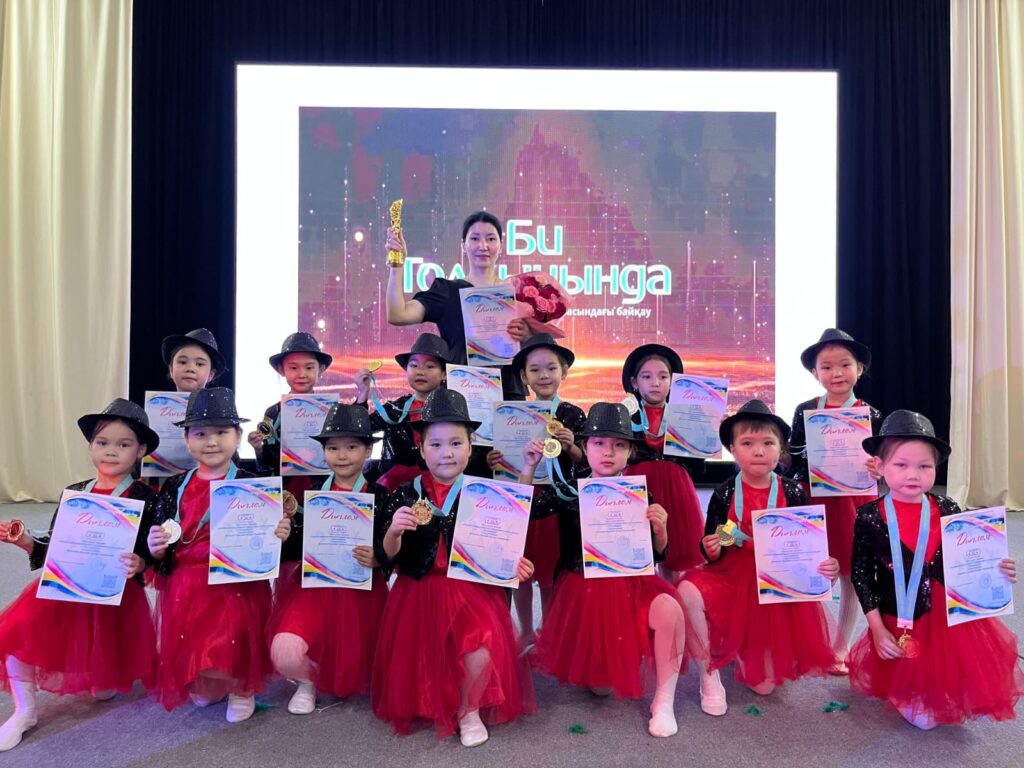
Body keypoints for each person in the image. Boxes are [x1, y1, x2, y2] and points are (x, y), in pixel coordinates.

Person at [372, 389, 535, 746]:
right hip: (418, 589)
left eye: (456, 443)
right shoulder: (405, 493)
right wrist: (394, 531)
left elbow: (503, 541)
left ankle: (469, 708)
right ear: (421, 449)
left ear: (471, 446)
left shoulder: (484, 492)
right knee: (425, 654)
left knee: (480, 646)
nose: (446, 452)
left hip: (470, 589)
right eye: (436, 444)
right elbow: (387, 556)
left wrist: (515, 563)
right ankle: (435, 702)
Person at [0, 399, 160, 751]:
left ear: (140, 450)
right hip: (66, 586)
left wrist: (142, 563)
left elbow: (154, 553)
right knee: (16, 630)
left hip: (115, 595)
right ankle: (25, 711)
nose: (111, 451)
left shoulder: (147, 498)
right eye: (102, 442)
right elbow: (54, 547)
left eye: (123, 444)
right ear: (90, 446)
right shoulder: (74, 492)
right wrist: (25, 541)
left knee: (104, 687)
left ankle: (101, 672)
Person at [848, 410, 1023, 729]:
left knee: (952, 670)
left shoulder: (947, 508)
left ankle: (936, 685)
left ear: (936, 468)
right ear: (880, 466)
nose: (913, 474)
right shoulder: (869, 517)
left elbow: (969, 555)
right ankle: (908, 688)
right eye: (901, 465)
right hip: (899, 613)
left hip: (947, 612)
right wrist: (877, 628)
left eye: (924, 466)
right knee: (912, 684)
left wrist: (997, 567)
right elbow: (860, 576)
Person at [531, 402, 687, 738]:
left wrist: (661, 529)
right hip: (584, 590)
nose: (608, 452)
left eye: (618, 445)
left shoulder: (639, 493)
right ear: (584, 447)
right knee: (601, 686)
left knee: (671, 610)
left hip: (633, 586)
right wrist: (529, 467)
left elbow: (658, 554)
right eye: (599, 443)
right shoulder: (568, 491)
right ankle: (610, 657)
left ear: (630, 452)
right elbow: (523, 509)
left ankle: (664, 701)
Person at [676, 399, 838, 716]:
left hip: (776, 582)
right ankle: (709, 673)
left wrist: (826, 566)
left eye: (768, 443)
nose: (759, 452)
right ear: (733, 450)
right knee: (687, 591)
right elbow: (713, 544)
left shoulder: (793, 492)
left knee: (763, 685)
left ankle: (742, 646)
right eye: (747, 443)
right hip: (732, 576)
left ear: (781, 449)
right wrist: (712, 547)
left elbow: (810, 546)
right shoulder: (724, 492)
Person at [146, 388, 290, 721]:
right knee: (193, 638)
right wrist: (156, 547)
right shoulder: (174, 486)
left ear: (238, 436)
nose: (211, 442)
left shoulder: (255, 485)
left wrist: (279, 533)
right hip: (187, 579)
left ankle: (241, 687)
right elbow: (164, 533)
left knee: (235, 635)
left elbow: (267, 540)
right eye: (200, 434)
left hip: (237, 578)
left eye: (222, 432)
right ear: (186, 440)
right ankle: (209, 681)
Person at [268, 404, 389, 715]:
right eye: (333, 447)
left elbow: (391, 547)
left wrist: (379, 557)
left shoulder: (381, 496)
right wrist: (286, 534)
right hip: (314, 587)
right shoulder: (311, 495)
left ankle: (330, 678)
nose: (342, 455)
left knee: (357, 654)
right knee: (285, 649)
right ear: (323, 452)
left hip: (362, 591)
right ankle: (307, 680)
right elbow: (298, 544)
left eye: (352, 447)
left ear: (368, 450)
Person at [786, 328, 883, 673]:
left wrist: (877, 468)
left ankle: (840, 647)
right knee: (808, 570)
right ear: (815, 373)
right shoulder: (804, 411)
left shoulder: (871, 414)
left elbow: (883, 461)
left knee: (852, 574)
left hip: (855, 502)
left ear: (860, 368)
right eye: (826, 367)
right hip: (814, 499)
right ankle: (804, 642)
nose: (836, 373)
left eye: (845, 365)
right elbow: (793, 458)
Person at [490, 333, 586, 650]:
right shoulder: (511, 415)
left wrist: (572, 448)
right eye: (535, 370)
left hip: (558, 506)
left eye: (551, 368)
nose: (544, 375)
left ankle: (550, 632)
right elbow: (504, 459)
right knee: (520, 571)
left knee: (550, 573)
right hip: (523, 501)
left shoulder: (573, 414)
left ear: (564, 372)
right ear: (523, 377)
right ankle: (526, 631)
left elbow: (586, 463)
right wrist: (494, 460)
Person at [383, 210, 530, 398]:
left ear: (501, 246)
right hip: (461, 394)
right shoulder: (447, 291)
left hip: (509, 394)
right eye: (475, 238)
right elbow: (398, 315)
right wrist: (397, 266)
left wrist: (527, 335)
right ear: (463, 246)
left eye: (491, 239)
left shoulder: (518, 292)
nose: (483, 246)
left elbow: (536, 349)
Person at [621, 343, 706, 579]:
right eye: (646, 376)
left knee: (675, 558)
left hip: (677, 490)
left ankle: (675, 600)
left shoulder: (686, 416)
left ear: (672, 382)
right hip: (638, 487)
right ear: (634, 382)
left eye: (663, 376)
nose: (655, 383)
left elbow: (697, 465)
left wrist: (704, 434)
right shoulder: (625, 414)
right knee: (640, 555)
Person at [353, 332, 451, 491]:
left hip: (443, 487)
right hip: (397, 490)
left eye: (429, 366)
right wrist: (363, 393)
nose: (420, 371)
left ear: (444, 374)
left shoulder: (455, 409)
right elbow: (358, 431)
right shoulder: (395, 410)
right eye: (414, 365)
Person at [161, 327, 227, 392]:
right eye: (183, 362)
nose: (190, 369)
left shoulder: (220, 399)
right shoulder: (157, 398)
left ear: (211, 374)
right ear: (171, 370)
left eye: (199, 364)